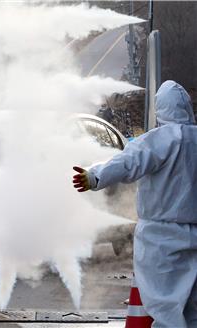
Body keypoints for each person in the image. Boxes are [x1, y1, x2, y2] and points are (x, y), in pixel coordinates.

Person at [72, 80, 197, 327]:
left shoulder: (160, 140)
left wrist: (95, 177)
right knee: (192, 302)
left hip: (160, 237)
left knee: (163, 302)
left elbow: (127, 162)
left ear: (161, 109)